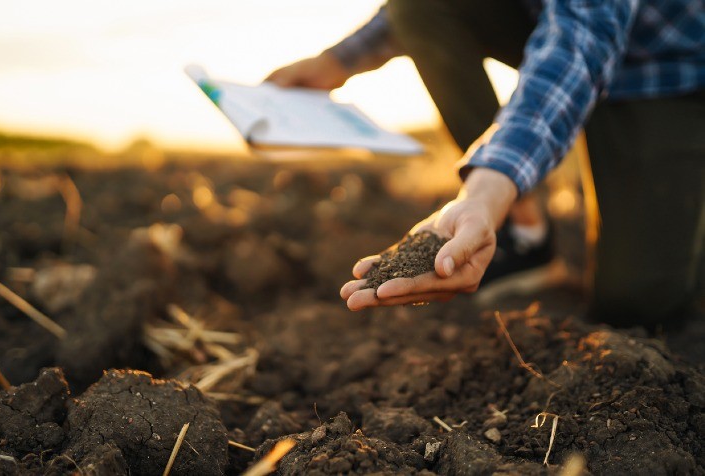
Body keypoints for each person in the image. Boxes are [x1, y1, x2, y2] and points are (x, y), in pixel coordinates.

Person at [267, 0, 705, 328]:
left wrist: (484, 189)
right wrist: (337, 62)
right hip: (551, 20)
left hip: (661, 69)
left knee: (637, 306)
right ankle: (524, 229)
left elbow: (582, 38)